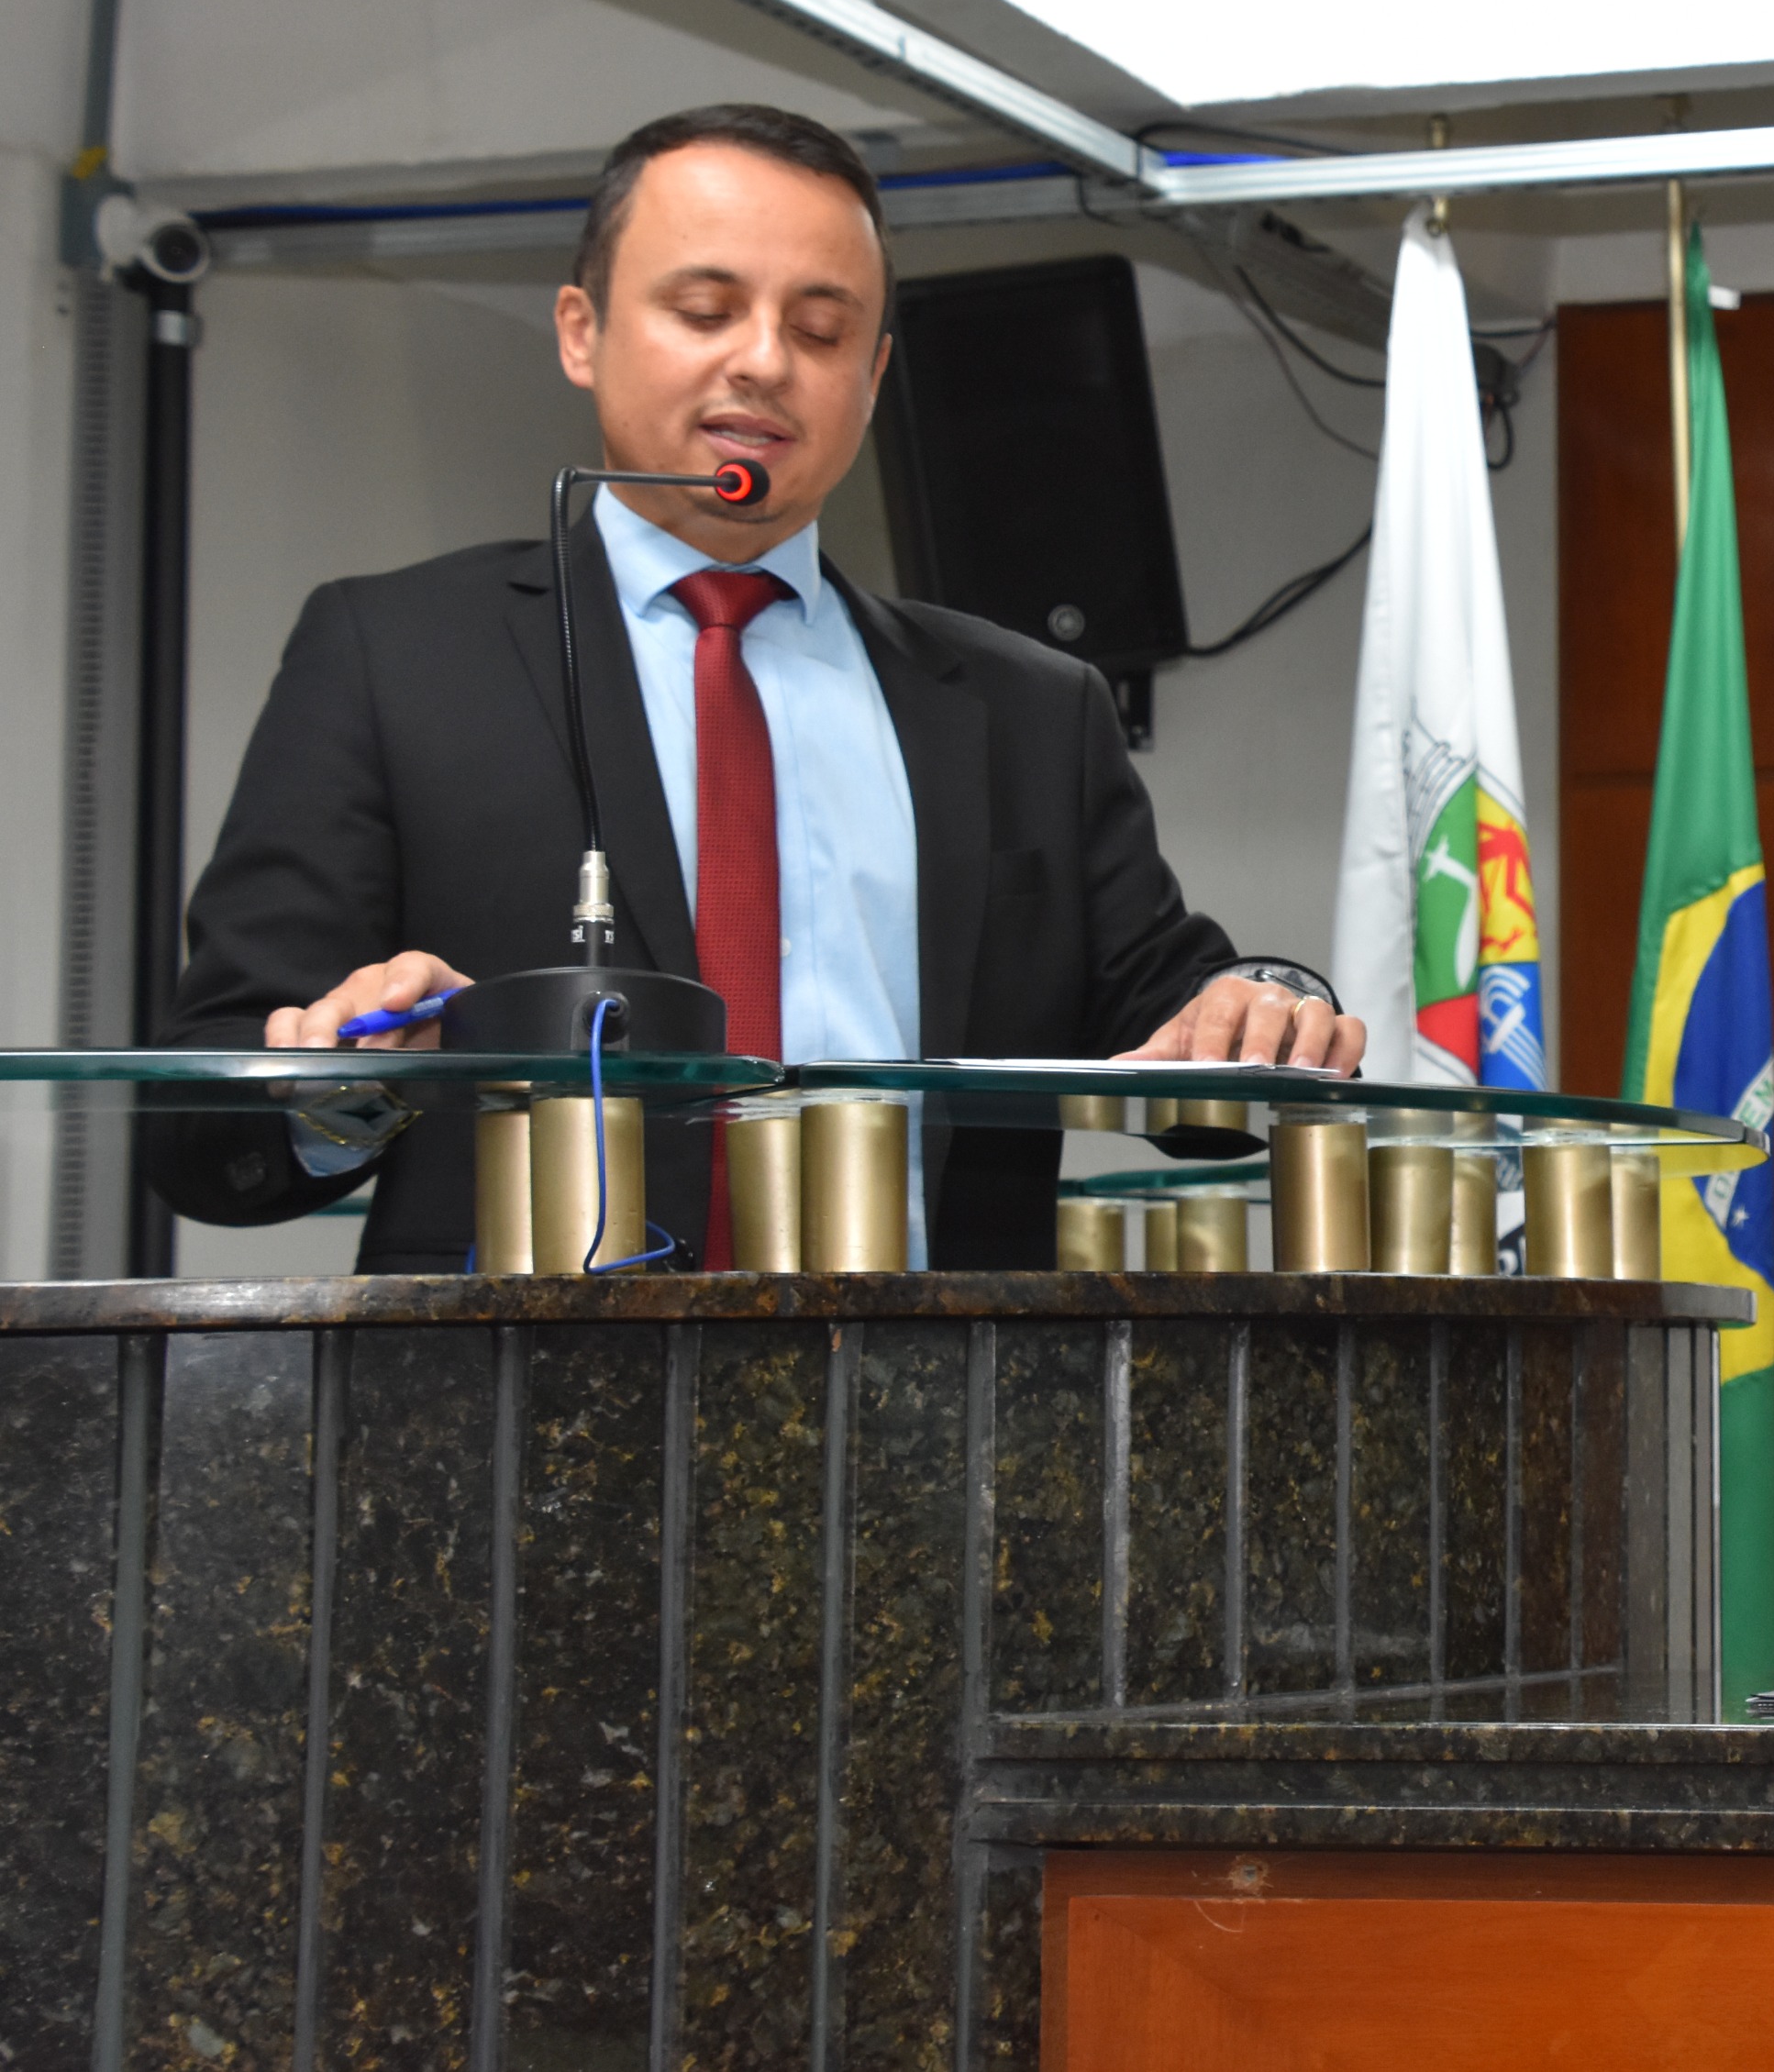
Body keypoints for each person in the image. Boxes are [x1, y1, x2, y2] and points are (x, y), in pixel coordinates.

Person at [150, 102, 1366, 1271]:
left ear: (875, 374)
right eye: (704, 310)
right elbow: (203, 1126)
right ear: (580, 331)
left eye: (822, 331)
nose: (765, 362)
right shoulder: (394, 656)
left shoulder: (1027, 707)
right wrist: (348, 1084)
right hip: (519, 1384)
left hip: (934, 1381)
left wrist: (1270, 1005)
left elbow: (1182, 1020)